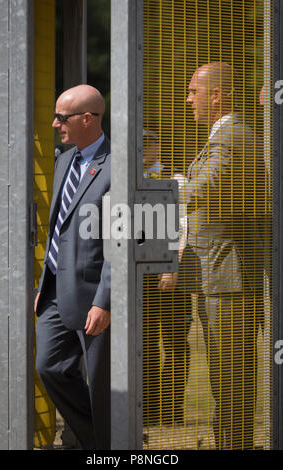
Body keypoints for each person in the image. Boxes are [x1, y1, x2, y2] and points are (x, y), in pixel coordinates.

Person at [181, 62, 266, 449]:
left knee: (231, 376)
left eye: (193, 92)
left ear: (216, 96)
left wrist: (153, 191)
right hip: (222, 276)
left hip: (229, 277)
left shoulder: (231, 134)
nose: (187, 100)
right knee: (225, 375)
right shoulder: (227, 134)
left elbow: (203, 187)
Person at [34, 84, 111, 450]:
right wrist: (43, 286)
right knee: (49, 367)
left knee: (100, 385)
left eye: (61, 118)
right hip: (53, 292)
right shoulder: (65, 159)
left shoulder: (117, 163)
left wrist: (105, 301)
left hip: (94, 297)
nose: (54, 125)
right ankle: (94, 439)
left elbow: (120, 242)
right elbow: (59, 230)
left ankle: (97, 443)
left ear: (86, 119)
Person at [142, 129, 193, 426]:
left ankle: (171, 411)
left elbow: (184, 223)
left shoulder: (177, 179)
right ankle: (147, 411)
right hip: (139, 275)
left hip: (170, 270)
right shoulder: (126, 177)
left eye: (149, 141)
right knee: (144, 343)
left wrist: (172, 265)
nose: (144, 147)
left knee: (175, 343)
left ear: (158, 145)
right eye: (139, 142)